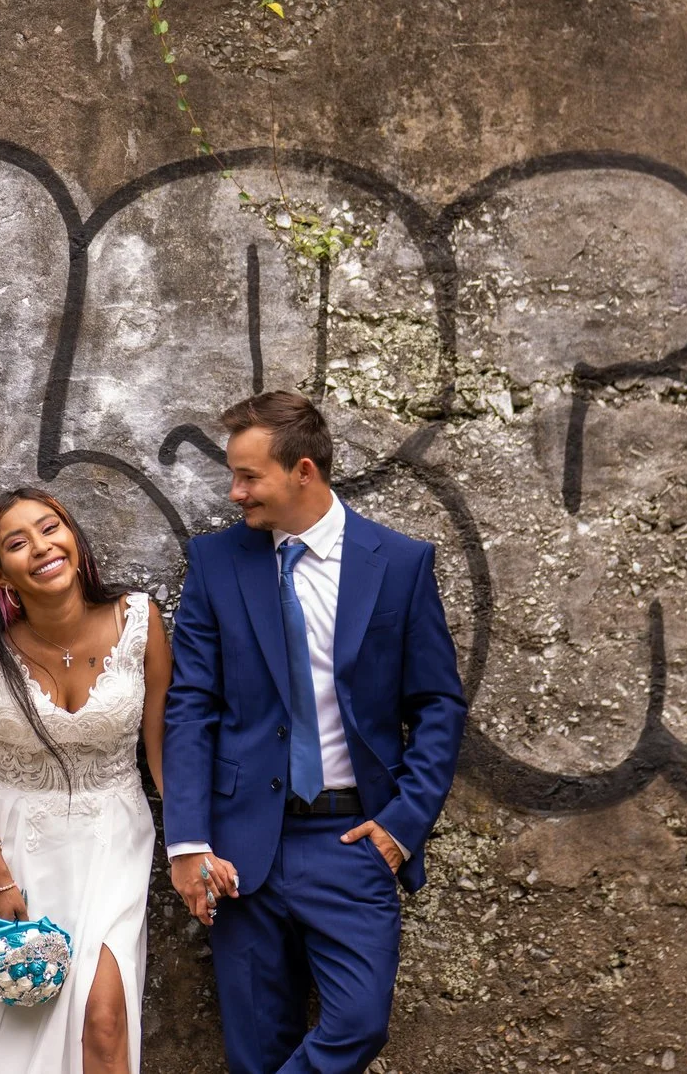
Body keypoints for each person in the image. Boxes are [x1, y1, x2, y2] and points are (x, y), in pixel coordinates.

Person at [162, 391, 468, 1074]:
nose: (235, 492)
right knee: (255, 1051)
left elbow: (439, 705)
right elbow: (190, 706)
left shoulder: (399, 563)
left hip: (352, 843)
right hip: (240, 851)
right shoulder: (216, 562)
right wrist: (187, 842)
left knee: (358, 1023)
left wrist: (401, 825)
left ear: (303, 470)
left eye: (248, 476)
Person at [0, 487, 172, 1074]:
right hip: (8, 846)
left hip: (112, 838)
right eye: (18, 543)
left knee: (103, 1018)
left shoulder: (139, 620)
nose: (42, 547)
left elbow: (161, 750)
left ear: (73, 537)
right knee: (4, 1032)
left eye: (51, 528)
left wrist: (192, 842)